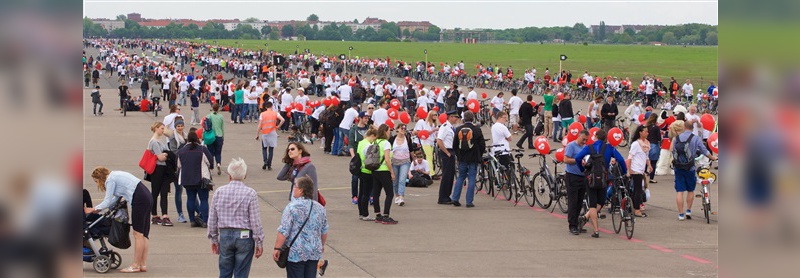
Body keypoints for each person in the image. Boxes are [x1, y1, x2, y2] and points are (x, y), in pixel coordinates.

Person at [85, 168, 153, 273]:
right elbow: (115, 199)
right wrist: (98, 209)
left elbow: (107, 201)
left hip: (139, 199)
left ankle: (135, 265)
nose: (97, 184)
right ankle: (142, 264)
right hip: (146, 196)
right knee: (144, 234)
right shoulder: (115, 175)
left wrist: (94, 209)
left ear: (100, 178)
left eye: (96, 181)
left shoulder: (110, 180)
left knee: (138, 234)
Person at [208, 158, 265, 278]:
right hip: (244, 235)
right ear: (244, 175)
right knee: (241, 272)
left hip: (225, 234)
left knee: (224, 270)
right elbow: (255, 221)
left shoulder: (219, 192)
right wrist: (259, 241)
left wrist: (213, 238)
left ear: (229, 176)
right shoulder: (250, 193)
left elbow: (212, 218)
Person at [574, 129, 628, 238]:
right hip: (604, 178)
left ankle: (596, 230)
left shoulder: (589, 147)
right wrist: (625, 172)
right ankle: (585, 217)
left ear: (596, 137)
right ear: (606, 138)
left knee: (592, 204)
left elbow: (577, 158)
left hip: (591, 178)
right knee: (601, 202)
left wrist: (582, 169)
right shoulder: (610, 148)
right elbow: (621, 160)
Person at [273, 176, 329, 278]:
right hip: (313, 252)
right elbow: (324, 230)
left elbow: (284, 230)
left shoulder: (292, 207)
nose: (293, 188)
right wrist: (321, 245)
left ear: (301, 191)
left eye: (295, 186)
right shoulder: (320, 208)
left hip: (296, 253)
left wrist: (277, 248)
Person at [672, 121, 717, 221]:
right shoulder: (695, 138)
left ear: (684, 127)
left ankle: (680, 214)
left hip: (678, 167)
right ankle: (688, 210)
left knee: (680, 191)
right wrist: (713, 158)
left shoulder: (676, 138)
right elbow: (704, 151)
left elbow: (673, 151)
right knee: (690, 190)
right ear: (693, 128)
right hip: (690, 167)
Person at [177, 130, 214, 228]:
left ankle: (192, 220)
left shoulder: (181, 151)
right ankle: (205, 220)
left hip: (187, 179)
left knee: (190, 199)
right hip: (201, 179)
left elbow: (179, 165)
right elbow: (210, 162)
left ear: (187, 139)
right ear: (197, 139)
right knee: (204, 199)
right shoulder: (202, 149)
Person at [450, 111, 486, 207]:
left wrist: (459, 155)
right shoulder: (477, 129)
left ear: (463, 119)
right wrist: (479, 154)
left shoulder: (458, 129)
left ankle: (455, 198)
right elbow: (482, 145)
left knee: (461, 177)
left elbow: (454, 145)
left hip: (462, 157)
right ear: (472, 118)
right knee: (472, 178)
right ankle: (469, 201)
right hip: (473, 157)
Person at [370, 124, 398, 224]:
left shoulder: (375, 141)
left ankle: (378, 215)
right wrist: (392, 172)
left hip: (375, 169)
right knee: (389, 193)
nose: (390, 132)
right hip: (384, 170)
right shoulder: (386, 143)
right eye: (389, 130)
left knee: (376, 193)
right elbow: (387, 159)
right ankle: (386, 215)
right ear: (385, 131)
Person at [148, 122, 174, 227]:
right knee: (155, 192)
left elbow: (166, 153)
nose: (163, 131)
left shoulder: (161, 141)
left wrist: (166, 154)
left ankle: (165, 215)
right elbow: (160, 157)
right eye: (162, 129)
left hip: (165, 169)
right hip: (157, 169)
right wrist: (167, 154)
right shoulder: (154, 142)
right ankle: (154, 215)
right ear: (156, 128)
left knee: (164, 193)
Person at [563, 130, 589, 235]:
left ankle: (577, 222)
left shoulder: (584, 147)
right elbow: (565, 159)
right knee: (573, 202)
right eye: (583, 139)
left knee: (579, 202)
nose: (584, 141)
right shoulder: (571, 146)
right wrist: (577, 160)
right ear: (579, 136)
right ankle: (572, 225)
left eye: (586, 140)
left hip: (582, 176)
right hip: (572, 176)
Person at [626, 125, 652, 218]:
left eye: (647, 131)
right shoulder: (636, 144)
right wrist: (629, 170)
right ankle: (637, 210)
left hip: (641, 169)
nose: (647, 133)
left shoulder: (646, 143)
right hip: (636, 169)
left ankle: (633, 207)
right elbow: (630, 158)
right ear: (640, 132)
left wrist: (649, 165)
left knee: (637, 190)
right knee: (638, 190)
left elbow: (646, 156)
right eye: (645, 131)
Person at [356, 127, 379, 221]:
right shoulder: (368, 145)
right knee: (366, 193)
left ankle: (361, 212)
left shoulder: (361, 143)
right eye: (375, 138)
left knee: (361, 193)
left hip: (361, 169)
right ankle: (365, 214)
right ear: (372, 136)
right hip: (368, 170)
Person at [436, 111, 459, 205]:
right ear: (450, 117)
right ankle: (443, 197)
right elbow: (439, 140)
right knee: (446, 175)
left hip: (451, 151)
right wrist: (446, 152)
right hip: (447, 152)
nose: (457, 119)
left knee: (450, 175)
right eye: (455, 117)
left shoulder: (451, 127)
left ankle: (447, 196)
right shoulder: (445, 127)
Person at [168, 119, 188, 223]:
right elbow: (173, 151)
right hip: (177, 167)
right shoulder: (173, 137)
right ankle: (180, 213)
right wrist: (184, 154)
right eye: (178, 126)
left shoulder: (186, 136)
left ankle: (196, 212)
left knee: (190, 190)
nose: (180, 128)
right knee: (178, 190)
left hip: (186, 166)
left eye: (181, 126)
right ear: (175, 127)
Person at [348, 112, 370, 204]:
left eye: (367, 118)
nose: (366, 119)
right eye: (365, 118)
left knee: (367, 179)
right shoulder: (354, 129)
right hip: (357, 157)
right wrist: (354, 158)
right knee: (355, 178)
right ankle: (354, 196)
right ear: (360, 118)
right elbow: (351, 144)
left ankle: (367, 195)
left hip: (368, 157)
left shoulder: (369, 129)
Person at [389, 123, 413, 206]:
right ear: (397, 129)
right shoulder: (392, 139)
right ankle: (397, 196)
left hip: (405, 161)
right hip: (394, 162)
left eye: (404, 128)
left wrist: (414, 160)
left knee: (402, 180)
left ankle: (401, 196)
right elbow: (388, 150)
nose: (403, 130)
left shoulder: (408, 138)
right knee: (395, 181)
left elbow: (411, 150)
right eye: (402, 128)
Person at [257, 102, 285, 171]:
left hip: (264, 133)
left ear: (265, 107)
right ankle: (269, 164)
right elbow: (283, 120)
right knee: (271, 149)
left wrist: (257, 134)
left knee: (264, 148)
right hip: (272, 132)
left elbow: (259, 125)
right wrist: (278, 126)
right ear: (272, 106)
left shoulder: (262, 114)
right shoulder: (275, 113)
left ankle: (265, 162)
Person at [413, 111, 439, 175]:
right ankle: (431, 173)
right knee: (429, 157)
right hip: (426, 142)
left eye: (436, 115)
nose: (435, 116)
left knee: (431, 157)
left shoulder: (434, 123)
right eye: (433, 115)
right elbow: (426, 133)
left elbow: (435, 134)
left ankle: (431, 172)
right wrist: (434, 130)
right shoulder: (427, 123)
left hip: (431, 142)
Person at [206, 103, 226, 175]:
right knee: (218, 152)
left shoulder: (208, 116)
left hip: (210, 136)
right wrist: (223, 137)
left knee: (210, 153)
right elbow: (222, 128)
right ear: (218, 109)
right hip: (219, 135)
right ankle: (218, 163)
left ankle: (211, 168)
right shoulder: (221, 117)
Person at [644, 113, 662, 183]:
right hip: (654, 145)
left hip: (646, 144)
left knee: (645, 161)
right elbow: (659, 138)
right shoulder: (656, 128)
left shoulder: (646, 126)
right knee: (653, 162)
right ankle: (651, 178)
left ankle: (644, 175)